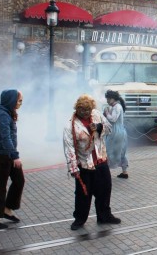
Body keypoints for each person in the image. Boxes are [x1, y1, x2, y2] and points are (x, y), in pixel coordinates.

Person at [63, 94, 121, 230]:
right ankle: (79, 219)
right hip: (84, 165)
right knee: (83, 194)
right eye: (82, 111)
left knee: (105, 190)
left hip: (101, 160)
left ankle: (104, 216)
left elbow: (109, 128)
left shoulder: (96, 114)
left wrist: (99, 127)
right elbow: (69, 147)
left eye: (88, 111)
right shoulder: (70, 125)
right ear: (77, 109)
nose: (86, 113)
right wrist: (73, 169)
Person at [0, 89, 25, 230]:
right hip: (1, 156)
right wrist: (15, 156)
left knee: (19, 181)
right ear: (11, 100)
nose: (21, 103)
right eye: (19, 100)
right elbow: (5, 138)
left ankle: (7, 209)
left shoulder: (8, 112)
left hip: (8, 154)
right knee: (0, 186)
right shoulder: (3, 115)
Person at [103, 90, 129, 179]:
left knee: (109, 151)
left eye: (108, 99)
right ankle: (124, 172)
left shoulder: (117, 107)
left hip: (115, 132)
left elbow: (113, 119)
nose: (107, 101)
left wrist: (106, 113)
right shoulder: (116, 106)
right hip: (120, 131)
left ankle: (106, 173)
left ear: (113, 99)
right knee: (121, 151)